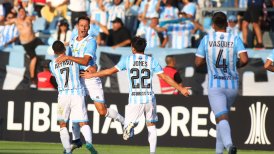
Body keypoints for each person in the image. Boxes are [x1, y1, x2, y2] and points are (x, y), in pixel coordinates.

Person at [80, 36, 191, 154]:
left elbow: (110, 71)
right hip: (149, 97)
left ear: (133, 48)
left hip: (135, 98)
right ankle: (152, 152)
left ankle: (131, 124)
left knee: (128, 125)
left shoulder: (128, 60)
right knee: (151, 125)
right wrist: (181, 88)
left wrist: (92, 75)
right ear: (144, 48)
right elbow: (164, 77)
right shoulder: (151, 60)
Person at [55, 16, 125, 146]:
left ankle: (123, 121)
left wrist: (69, 58)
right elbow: (64, 55)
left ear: (89, 27)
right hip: (78, 79)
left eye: (86, 26)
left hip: (90, 77)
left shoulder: (91, 41)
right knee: (75, 109)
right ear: (77, 26)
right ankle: (76, 140)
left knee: (102, 111)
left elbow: (85, 61)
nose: (83, 28)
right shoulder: (72, 40)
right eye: (81, 25)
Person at [195, 12, 248, 154]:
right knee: (220, 119)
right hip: (232, 85)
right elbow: (244, 59)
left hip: (216, 85)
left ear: (212, 25)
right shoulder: (235, 38)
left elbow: (198, 62)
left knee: (222, 117)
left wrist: (209, 63)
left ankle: (230, 145)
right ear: (226, 24)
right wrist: (235, 66)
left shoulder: (207, 39)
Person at [49, 40, 97, 154]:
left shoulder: (52, 65)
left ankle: (68, 149)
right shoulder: (75, 61)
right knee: (83, 123)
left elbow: (53, 78)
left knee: (62, 123)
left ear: (54, 52)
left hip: (63, 96)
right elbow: (87, 64)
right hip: (77, 93)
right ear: (64, 49)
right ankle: (89, 143)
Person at [6, 7, 44, 88]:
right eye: (20, 12)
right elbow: (6, 22)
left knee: (46, 49)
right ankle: (32, 78)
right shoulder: (15, 20)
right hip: (26, 43)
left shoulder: (29, 18)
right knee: (33, 58)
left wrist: (35, 17)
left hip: (35, 40)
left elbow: (37, 18)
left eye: (23, 12)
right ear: (18, 13)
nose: (22, 13)